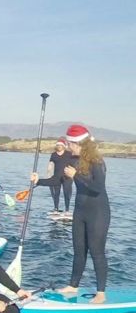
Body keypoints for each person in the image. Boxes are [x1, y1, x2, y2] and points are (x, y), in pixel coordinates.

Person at [31, 125, 109, 303]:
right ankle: (73, 286)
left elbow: (98, 187)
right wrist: (38, 181)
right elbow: (57, 180)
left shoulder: (96, 161)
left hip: (98, 212)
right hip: (80, 212)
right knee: (79, 250)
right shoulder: (72, 160)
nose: (68, 147)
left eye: (70, 144)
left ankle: (101, 293)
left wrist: (76, 176)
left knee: (96, 251)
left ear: (79, 143)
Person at [33, 137, 76, 212]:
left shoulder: (69, 154)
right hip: (56, 177)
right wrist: (48, 174)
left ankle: (67, 210)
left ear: (63, 146)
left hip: (67, 177)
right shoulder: (53, 155)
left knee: (66, 193)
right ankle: (56, 208)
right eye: (58, 145)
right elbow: (50, 165)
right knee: (56, 193)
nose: (59, 146)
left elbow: (75, 163)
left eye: (60, 145)